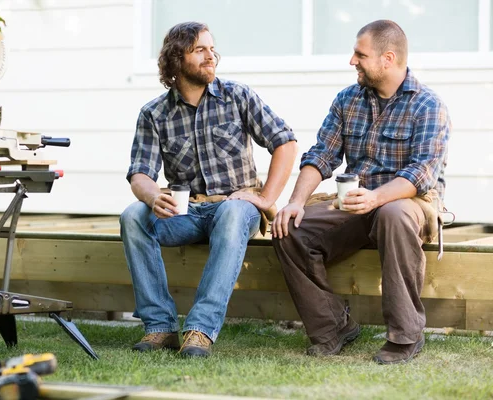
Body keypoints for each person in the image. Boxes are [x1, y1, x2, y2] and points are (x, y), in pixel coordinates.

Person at [272, 20, 450, 364]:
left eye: (360, 54)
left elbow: (420, 175)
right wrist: (294, 203)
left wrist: (376, 198)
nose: (352, 61)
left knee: (392, 213)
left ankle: (405, 336)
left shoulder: (428, 105)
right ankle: (333, 327)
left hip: (409, 203)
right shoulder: (348, 100)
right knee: (288, 228)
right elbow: (322, 154)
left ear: (388, 58)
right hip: (355, 203)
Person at [120, 21, 298, 357]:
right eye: (200, 49)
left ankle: (201, 328)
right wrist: (153, 196)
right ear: (177, 59)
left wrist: (265, 198)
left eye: (212, 48)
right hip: (186, 211)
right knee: (133, 216)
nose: (211, 55)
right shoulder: (154, 113)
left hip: (236, 206)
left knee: (232, 212)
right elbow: (139, 174)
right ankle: (159, 327)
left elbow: (285, 143)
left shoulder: (237, 96)